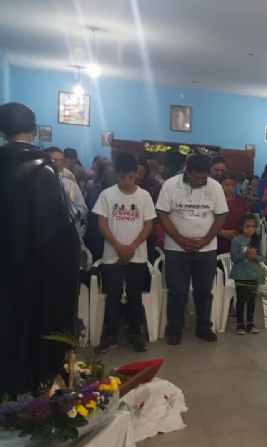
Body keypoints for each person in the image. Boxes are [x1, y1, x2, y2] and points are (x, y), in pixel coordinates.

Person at [0, 102, 80, 397]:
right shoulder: (46, 171)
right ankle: (37, 388)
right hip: (41, 273)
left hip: (6, 271)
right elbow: (63, 233)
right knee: (35, 331)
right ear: (34, 131)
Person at [156, 154, 228, 345]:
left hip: (207, 249)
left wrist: (205, 240)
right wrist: (180, 239)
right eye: (196, 177)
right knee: (177, 291)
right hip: (176, 249)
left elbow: (220, 216)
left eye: (204, 177)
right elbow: (162, 214)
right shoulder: (171, 185)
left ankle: (204, 327)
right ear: (187, 171)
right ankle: (175, 329)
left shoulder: (215, 187)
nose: (200, 181)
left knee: (204, 291)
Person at [93, 154, 156, 353]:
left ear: (136, 174)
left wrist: (131, 247)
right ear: (116, 175)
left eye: (131, 177)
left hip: (137, 255)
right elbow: (102, 224)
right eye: (122, 177)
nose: (127, 182)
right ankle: (110, 333)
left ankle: (135, 332)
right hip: (113, 254)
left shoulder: (144, 196)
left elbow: (148, 225)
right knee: (113, 295)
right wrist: (119, 246)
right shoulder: (107, 195)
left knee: (135, 295)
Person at [229, 214, 264, 335]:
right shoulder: (236, 241)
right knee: (241, 299)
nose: (250, 229)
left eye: (253, 226)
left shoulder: (256, 240)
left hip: (253, 274)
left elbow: (261, 257)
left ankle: (250, 322)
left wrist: (255, 257)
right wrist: (245, 255)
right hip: (240, 274)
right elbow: (234, 258)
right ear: (241, 227)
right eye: (247, 226)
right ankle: (240, 324)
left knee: (252, 299)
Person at [45, 146, 87, 224]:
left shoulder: (71, 185)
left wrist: (74, 213)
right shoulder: (38, 184)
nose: (58, 163)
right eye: (54, 160)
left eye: (61, 160)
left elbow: (83, 208)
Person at [217, 172, 249, 254]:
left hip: (239, 238)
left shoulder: (240, 200)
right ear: (220, 185)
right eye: (227, 185)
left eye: (233, 185)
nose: (230, 188)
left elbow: (247, 218)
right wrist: (222, 232)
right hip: (219, 239)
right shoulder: (215, 200)